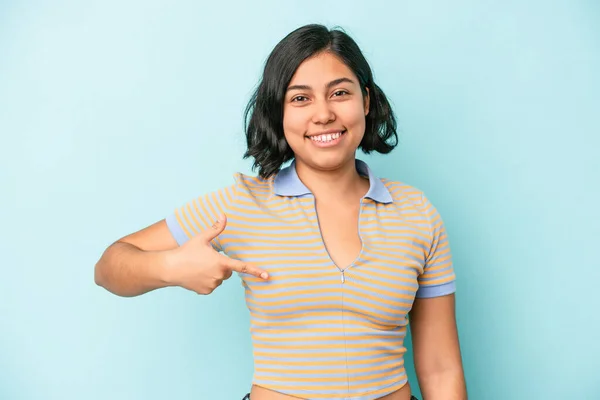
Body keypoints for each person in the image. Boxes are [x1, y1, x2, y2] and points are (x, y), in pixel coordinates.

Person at [94, 24, 467, 400]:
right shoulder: (240, 205)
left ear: (365, 101)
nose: (323, 114)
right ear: (279, 112)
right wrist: (172, 267)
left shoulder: (417, 213)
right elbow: (110, 265)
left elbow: (440, 367)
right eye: (300, 99)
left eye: (339, 93)